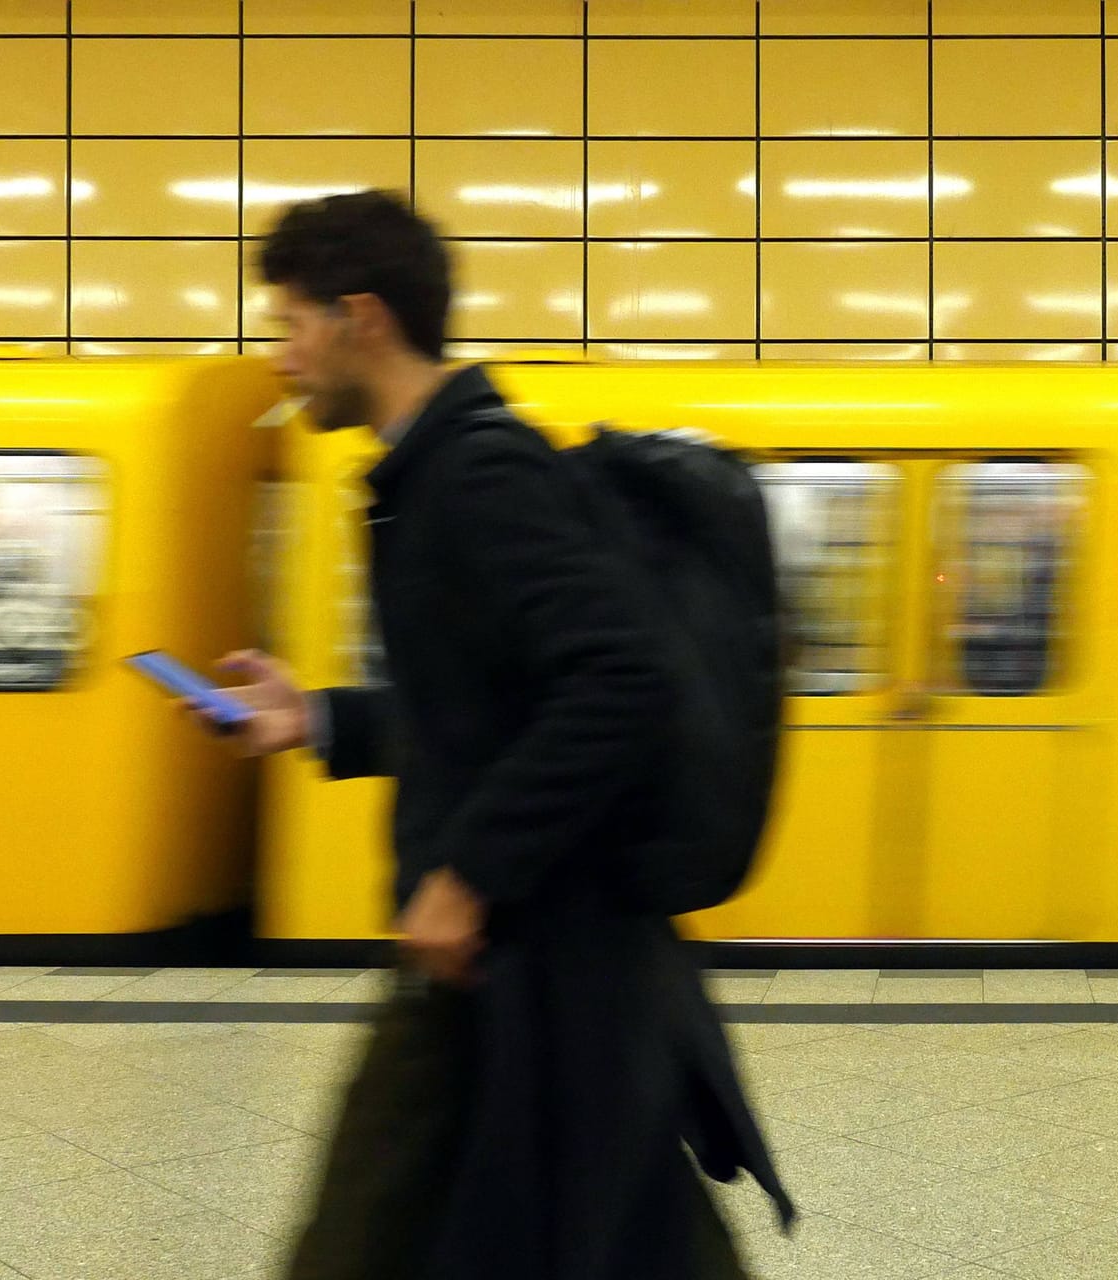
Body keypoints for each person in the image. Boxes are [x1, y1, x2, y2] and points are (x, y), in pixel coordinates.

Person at [212, 190, 789, 1279]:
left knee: (375, 1235)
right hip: (511, 966)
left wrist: (468, 875)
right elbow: (495, 705)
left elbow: (622, 678)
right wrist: (317, 714)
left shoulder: (478, 474)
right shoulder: (434, 474)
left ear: (361, 317)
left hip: (532, 957)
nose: (280, 357)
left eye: (289, 322)